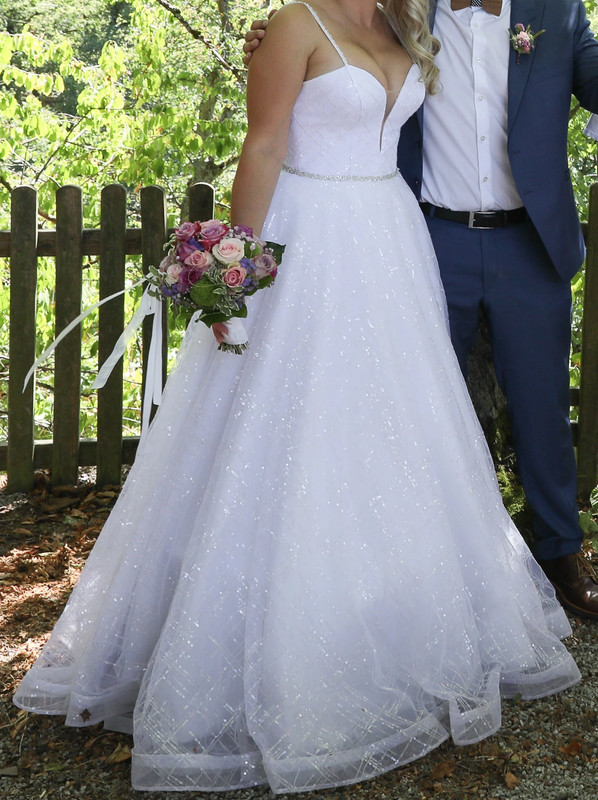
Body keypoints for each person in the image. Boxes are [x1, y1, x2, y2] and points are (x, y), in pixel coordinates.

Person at [15, 0, 581, 794]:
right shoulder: (291, 24)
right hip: (310, 240)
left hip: (391, 239)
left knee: (394, 430)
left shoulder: (408, 22)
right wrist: (231, 271)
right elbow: (264, 143)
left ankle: (392, 613)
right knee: (289, 422)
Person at [244, 0, 598, 621]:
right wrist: (274, 43)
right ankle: (420, 562)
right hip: (430, 239)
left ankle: (561, 551)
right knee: (406, 405)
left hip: (531, 242)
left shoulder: (558, 12)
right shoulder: (408, 15)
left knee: (543, 406)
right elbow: (327, 68)